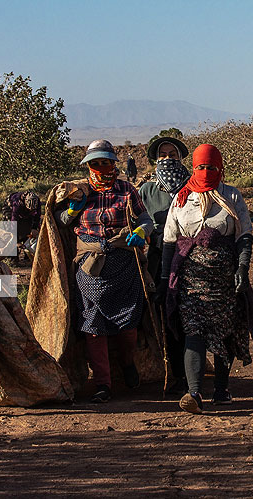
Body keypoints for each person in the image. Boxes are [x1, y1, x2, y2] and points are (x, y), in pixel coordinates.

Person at [54, 139, 155, 403]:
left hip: (124, 263)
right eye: (95, 163)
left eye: (105, 162)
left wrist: (141, 232)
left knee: (128, 323)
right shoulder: (79, 191)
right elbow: (60, 221)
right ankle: (103, 384)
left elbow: (146, 219)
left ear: (113, 164)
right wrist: (73, 208)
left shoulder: (126, 189)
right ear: (88, 166)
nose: (100, 168)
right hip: (90, 266)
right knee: (93, 326)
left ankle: (127, 362)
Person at [160, 144, 253, 413]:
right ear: (193, 168)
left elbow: (243, 235)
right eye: (200, 167)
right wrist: (167, 279)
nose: (205, 172)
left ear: (220, 168)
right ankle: (194, 394)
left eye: (211, 167)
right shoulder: (181, 198)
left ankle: (222, 389)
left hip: (224, 281)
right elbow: (169, 240)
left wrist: (242, 268)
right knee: (194, 331)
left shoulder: (232, 196)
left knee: (225, 333)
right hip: (191, 281)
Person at [138, 135, 191, 396]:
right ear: (155, 159)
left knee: (186, 313)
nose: (168, 158)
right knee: (162, 313)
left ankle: (187, 374)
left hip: (191, 255)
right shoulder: (146, 190)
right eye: (163, 154)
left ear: (181, 157)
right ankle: (167, 371)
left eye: (173, 154)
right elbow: (136, 219)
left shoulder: (194, 185)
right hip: (159, 255)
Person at [2, 190, 41, 263]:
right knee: (9, 228)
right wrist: (15, 241)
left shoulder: (37, 202)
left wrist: (34, 228)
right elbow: (13, 222)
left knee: (28, 228)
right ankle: (12, 258)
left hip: (26, 213)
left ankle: (28, 254)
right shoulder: (17, 203)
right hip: (10, 208)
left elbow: (37, 216)